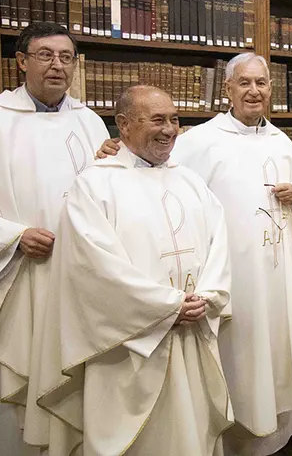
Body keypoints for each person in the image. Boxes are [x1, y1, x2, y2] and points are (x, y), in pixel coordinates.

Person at [96, 53, 292, 455]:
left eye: (262, 83)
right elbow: (152, 170)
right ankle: (234, 437)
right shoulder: (199, 140)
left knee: (277, 351)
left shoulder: (283, 143)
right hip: (231, 277)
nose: (254, 91)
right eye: (245, 83)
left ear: (270, 89)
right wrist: (117, 151)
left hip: (279, 275)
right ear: (228, 89)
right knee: (239, 357)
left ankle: (276, 433)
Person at [0, 22, 109, 454]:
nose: (57, 66)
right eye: (45, 55)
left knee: (73, 386)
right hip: (17, 278)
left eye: (66, 57)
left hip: (78, 282)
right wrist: (13, 237)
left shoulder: (90, 123)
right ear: (22, 62)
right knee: (15, 383)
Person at [35, 86, 233, 455]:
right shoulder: (95, 185)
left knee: (190, 431)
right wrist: (166, 307)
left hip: (190, 333)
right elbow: (94, 268)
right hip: (127, 348)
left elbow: (219, 245)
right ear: (123, 125)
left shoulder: (190, 181)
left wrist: (207, 295)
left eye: (175, 120)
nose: (169, 130)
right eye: (157, 120)